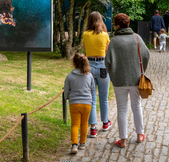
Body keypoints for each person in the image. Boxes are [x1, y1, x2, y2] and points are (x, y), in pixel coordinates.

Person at [105, 13, 150, 148]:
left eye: (114, 23)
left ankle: (123, 140)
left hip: (119, 80)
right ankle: (140, 135)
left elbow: (107, 62)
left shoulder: (114, 41)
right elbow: (146, 55)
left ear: (118, 25)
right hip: (136, 79)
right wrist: (141, 72)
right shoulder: (137, 38)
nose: (114, 26)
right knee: (137, 106)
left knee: (122, 109)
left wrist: (113, 75)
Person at [82, 11, 112, 138]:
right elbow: (107, 50)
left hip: (89, 66)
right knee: (104, 98)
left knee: (92, 98)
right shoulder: (105, 35)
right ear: (100, 20)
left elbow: (84, 48)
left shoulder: (85, 34)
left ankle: (93, 128)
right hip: (102, 66)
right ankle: (105, 123)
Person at [64, 53, 95, 154]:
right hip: (87, 103)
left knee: (75, 124)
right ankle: (82, 143)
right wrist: (88, 97)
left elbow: (66, 90)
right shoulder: (89, 75)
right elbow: (92, 89)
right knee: (84, 124)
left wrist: (68, 98)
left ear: (74, 63)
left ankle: (74, 145)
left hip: (74, 103)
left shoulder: (69, 76)